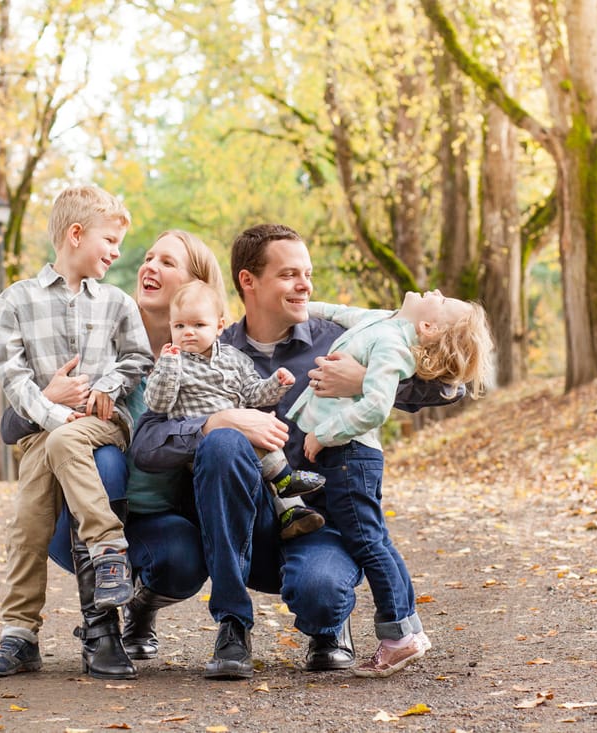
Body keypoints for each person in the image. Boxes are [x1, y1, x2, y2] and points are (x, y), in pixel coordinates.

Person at [129, 223, 467, 680]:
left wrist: (364, 381)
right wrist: (212, 422)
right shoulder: (206, 345)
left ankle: (329, 625)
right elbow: (147, 444)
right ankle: (232, 625)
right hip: (245, 522)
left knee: (321, 595)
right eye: (289, 274)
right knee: (225, 442)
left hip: (318, 519)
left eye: (306, 273)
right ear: (249, 281)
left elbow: (453, 386)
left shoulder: (341, 341)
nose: (305, 284)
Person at [0, 229, 224, 679]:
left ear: (197, 287)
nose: (148, 266)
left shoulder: (208, 360)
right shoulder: (102, 322)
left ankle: (139, 607)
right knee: (103, 456)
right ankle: (100, 631)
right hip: (79, 517)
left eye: (167, 263)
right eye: (149, 257)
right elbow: (9, 426)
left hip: (157, 515)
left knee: (182, 561)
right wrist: (49, 396)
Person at [0, 185, 154, 678]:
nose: (117, 253)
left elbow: (139, 358)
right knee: (27, 526)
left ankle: (107, 544)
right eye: (111, 241)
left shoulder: (116, 303)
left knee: (63, 444)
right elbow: (12, 378)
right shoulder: (16, 300)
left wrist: (108, 387)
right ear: (76, 234)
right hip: (44, 433)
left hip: (100, 426)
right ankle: (19, 636)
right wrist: (53, 411)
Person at [288, 292, 494, 677]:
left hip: (348, 454)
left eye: (444, 301)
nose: (436, 291)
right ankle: (408, 627)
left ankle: (399, 638)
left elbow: (377, 405)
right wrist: (302, 307)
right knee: (376, 539)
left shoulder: (392, 343)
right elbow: (338, 312)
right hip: (349, 455)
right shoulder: (383, 320)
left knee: (367, 543)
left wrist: (324, 433)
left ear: (428, 327)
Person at [143, 280, 327, 539]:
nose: (188, 332)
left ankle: (292, 514)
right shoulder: (172, 362)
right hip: (207, 449)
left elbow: (253, 393)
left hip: (243, 437)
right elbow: (157, 403)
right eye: (179, 325)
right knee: (238, 441)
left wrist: (276, 383)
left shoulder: (234, 358)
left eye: (198, 325)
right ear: (170, 326)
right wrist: (169, 366)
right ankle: (286, 478)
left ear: (218, 326)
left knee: (259, 428)